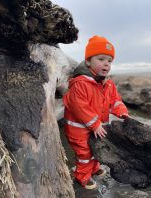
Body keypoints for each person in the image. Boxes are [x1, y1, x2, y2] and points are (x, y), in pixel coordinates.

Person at [63, 35, 129, 190]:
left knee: (97, 148)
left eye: (109, 61)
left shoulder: (108, 84)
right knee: (84, 154)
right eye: (100, 59)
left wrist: (122, 112)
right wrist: (94, 123)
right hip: (78, 130)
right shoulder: (80, 83)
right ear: (88, 62)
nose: (106, 63)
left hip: (96, 127)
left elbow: (115, 101)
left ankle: (94, 168)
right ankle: (82, 177)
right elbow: (79, 107)